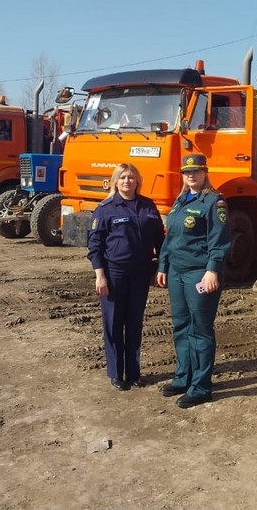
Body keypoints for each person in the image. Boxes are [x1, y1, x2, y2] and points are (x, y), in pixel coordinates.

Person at [156, 153, 231, 408]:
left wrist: (213, 270)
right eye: (187, 172)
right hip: (177, 272)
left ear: (204, 172)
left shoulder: (213, 202)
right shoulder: (180, 201)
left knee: (200, 329)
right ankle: (183, 377)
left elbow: (219, 240)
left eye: (196, 171)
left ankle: (200, 387)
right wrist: (163, 265)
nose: (191, 175)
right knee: (181, 326)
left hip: (199, 272)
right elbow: (170, 238)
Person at [87, 163, 164, 391]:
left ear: (137, 181)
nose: (127, 181)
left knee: (134, 322)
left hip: (140, 273)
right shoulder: (106, 209)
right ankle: (115, 373)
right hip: (114, 273)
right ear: (115, 182)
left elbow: (160, 240)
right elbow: (95, 245)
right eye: (122, 178)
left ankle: (133, 372)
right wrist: (100, 275)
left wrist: (161, 267)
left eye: (131, 177)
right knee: (113, 323)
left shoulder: (148, 206)